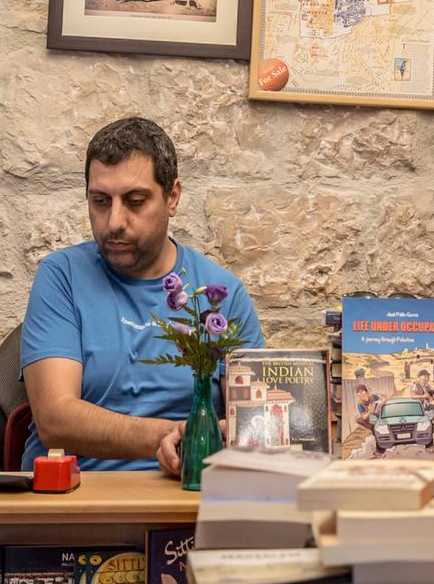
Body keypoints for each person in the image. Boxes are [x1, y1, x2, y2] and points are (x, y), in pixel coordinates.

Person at [22, 117, 263, 475]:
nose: (114, 221)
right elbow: (55, 420)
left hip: (186, 496)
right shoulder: (62, 277)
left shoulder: (220, 296)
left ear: (173, 197)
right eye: (100, 201)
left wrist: (211, 440)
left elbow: (255, 423)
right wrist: (178, 434)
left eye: (135, 201)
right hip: (77, 495)